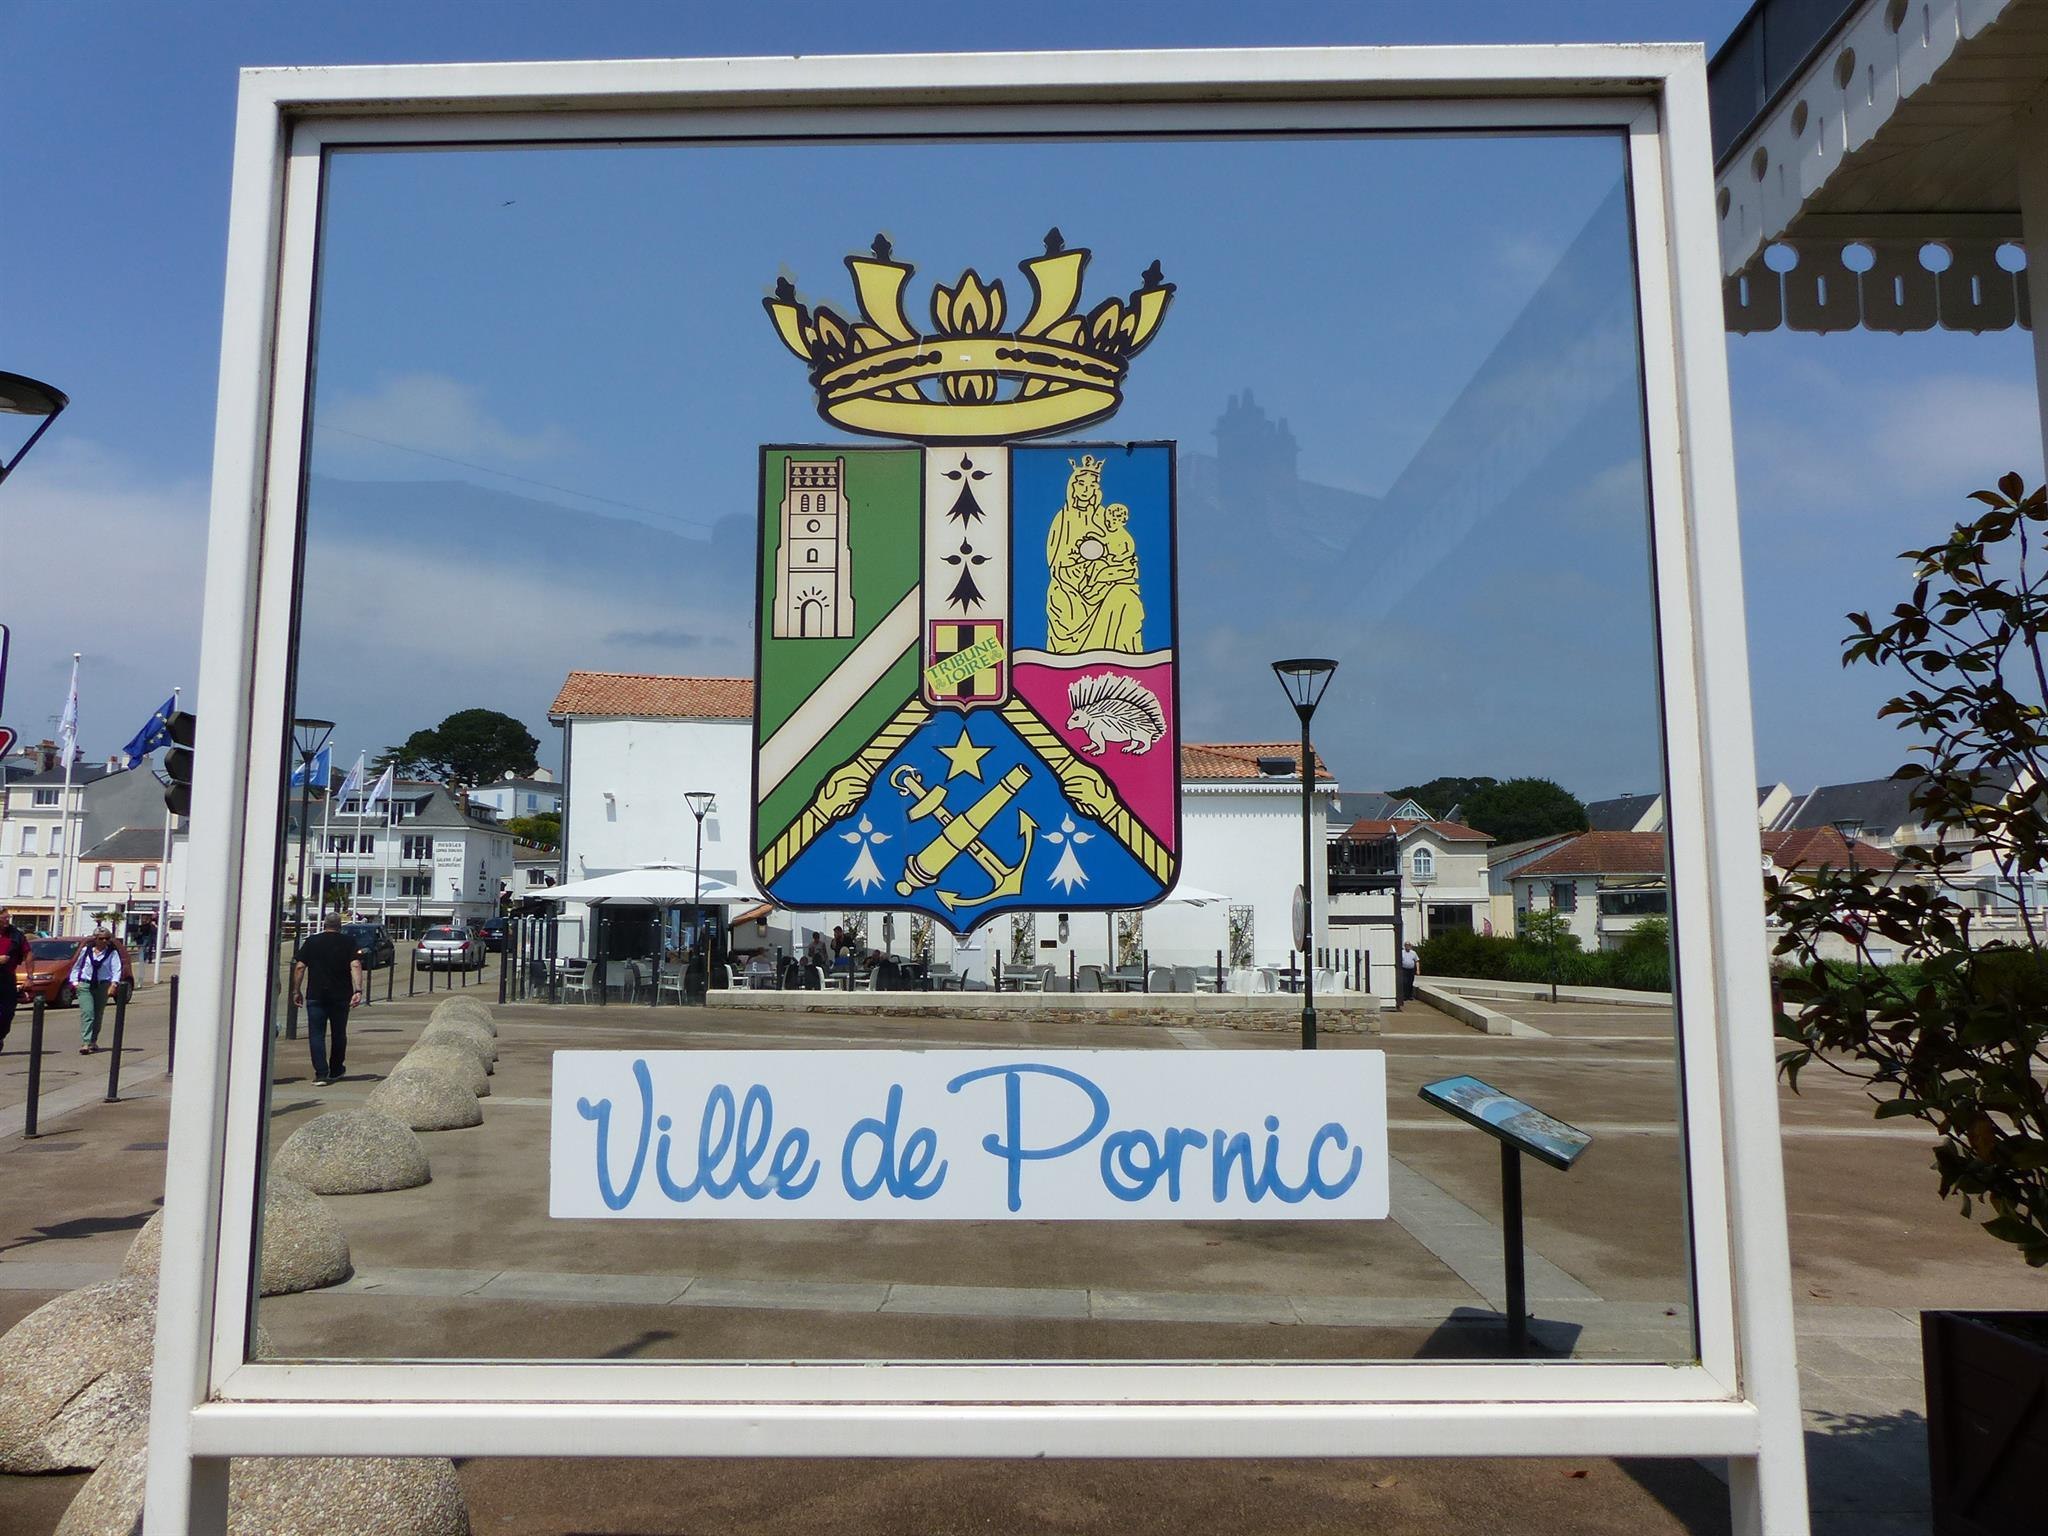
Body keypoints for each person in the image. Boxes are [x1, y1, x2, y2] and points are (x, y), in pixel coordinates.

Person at [292, 913, 365, 1084]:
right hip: (341, 995)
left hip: (316, 994)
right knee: (339, 1033)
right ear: (340, 926)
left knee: (316, 1035)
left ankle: (321, 1073)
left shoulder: (312, 942)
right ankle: (336, 1068)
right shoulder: (348, 942)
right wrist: (358, 990)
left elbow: (300, 967)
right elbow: (355, 964)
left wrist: (296, 990)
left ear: (324, 924)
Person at [69, 929, 126, 1054]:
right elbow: (77, 966)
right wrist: (75, 983)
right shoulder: (86, 951)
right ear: (95, 939)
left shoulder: (112, 953)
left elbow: (116, 969)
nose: (104, 941)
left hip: (102, 985)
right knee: (88, 1013)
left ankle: (93, 1041)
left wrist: (114, 984)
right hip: (85, 985)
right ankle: (86, 1042)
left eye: (107, 938)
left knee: (98, 1014)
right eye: (101, 938)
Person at [0, 907, 27, 1053]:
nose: (7, 920)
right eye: (4, 918)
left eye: (8, 917)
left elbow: (28, 953)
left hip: (7, 978)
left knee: (7, 1013)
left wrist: (30, 977)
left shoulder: (15, 934)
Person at [1398, 941, 1419, 1006]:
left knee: (1410, 982)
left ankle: (1410, 996)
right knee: (1404, 982)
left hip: (1411, 970)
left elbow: (1417, 961)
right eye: (1406, 945)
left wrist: (1418, 970)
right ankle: (1404, 996)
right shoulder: (1402, 952)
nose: (1408, 946)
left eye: (1409, 945)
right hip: (1404, 969)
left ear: (1410, 946)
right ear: (1404, 946)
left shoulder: (1413, 953)